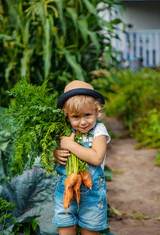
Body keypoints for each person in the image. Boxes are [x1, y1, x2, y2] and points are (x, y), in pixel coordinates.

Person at [53, 80, 111, 235]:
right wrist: (56, 154)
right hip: (65, 191)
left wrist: (70, 145)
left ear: (97, 111)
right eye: (76, 117)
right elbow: (51, 157)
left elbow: (97, 158)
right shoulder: (64, 131)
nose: (83, 122)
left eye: (88, 115)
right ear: (67, 116)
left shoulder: (99, 130)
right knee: (65, 227)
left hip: (92, 194)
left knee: (90, 231)